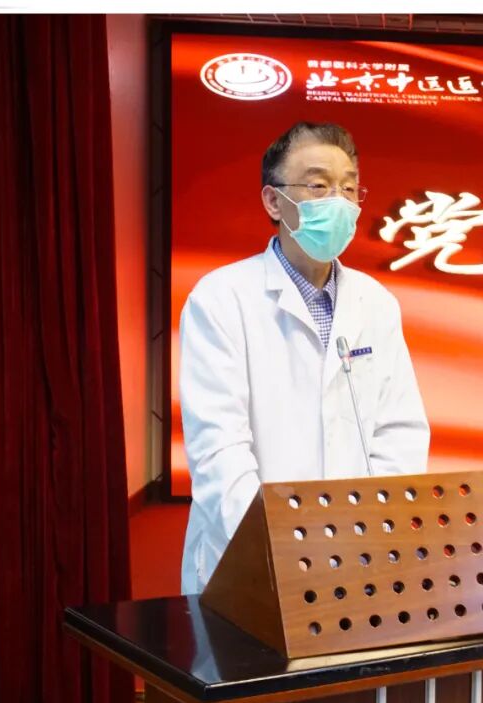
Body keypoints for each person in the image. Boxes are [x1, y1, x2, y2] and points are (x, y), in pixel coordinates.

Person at [179, 122, 430, 594]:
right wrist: (280, 548)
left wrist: (377, 533)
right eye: (318, 186)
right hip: (253, 561)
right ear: (274, 201)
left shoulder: (376, 302)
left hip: (359, 559)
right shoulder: (221, 298)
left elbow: (400, 432)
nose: (339, 201)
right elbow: (219, 449)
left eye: (349, 188)